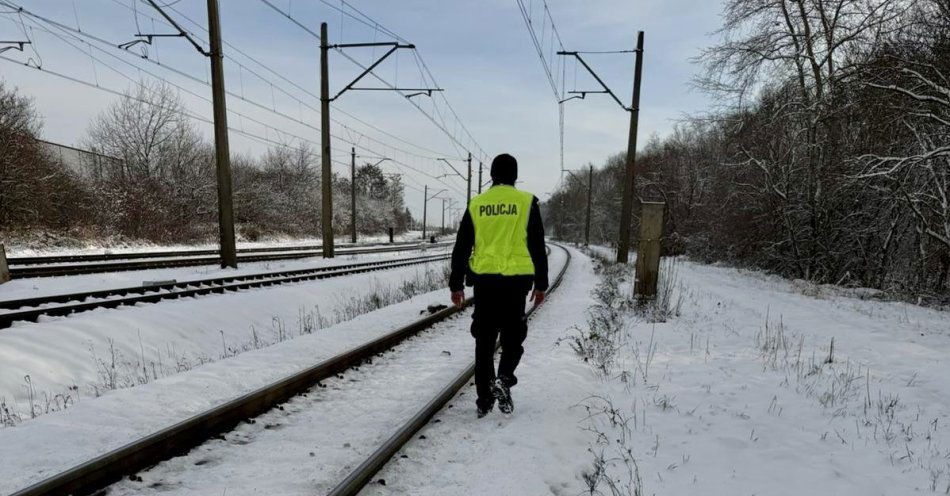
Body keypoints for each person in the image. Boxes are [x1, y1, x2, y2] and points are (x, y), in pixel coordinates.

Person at [449, 153, 548, 418]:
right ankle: (504, 379)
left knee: (484, 341)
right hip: (516, 284)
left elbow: (461, 247)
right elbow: (538, 246)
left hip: (484, 283)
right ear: (515, 176)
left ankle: (484, 401)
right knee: (513, 336)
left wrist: (456, 284)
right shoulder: (526, 202)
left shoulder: (477, 203)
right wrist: (541, 284)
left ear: (492, 175)